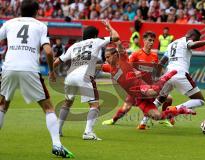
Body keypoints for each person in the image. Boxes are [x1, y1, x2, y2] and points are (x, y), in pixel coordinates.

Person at [0, 0, 74, 158]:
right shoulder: (40, 25)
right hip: (30, 69)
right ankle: (57, 145)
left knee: (2, 105)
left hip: (9, 67)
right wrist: (51, 71)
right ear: (36, 11)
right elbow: (48, 52)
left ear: (20, 10)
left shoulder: (9, 23)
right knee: (48, 107)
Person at [53, 20, 120, 140]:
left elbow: (59, 60)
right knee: (95, 104)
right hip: (84, 74)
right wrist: (109, 26)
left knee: (67, 102)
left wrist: (51, 71)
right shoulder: (96, 41)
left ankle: (57, 130)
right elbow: (116, 37)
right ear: (94, 35)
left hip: (70, 76)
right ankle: (88, 132)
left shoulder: (74, 46)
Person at [100, 41, 186, 124]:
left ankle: (166, 117)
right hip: (136, 87)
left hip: (146, 84)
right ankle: (114, 120)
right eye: (149, 40)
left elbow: (157, 69)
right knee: (126, 107)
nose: (151, 43)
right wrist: (134, 71)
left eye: (153, 40)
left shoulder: (154, 56)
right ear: (144, 41)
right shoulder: (136, 54)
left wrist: (158, 75)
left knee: (168, 98)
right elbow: (128, 64)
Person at [155, 29, 205, 117]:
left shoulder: (171, 44)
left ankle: (143, 121)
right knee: (200, 100)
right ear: (193, 36)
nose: (196, 41)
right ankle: (175, 109)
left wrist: (156, 78)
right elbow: (192, 45)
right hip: (180, 74)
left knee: (160, 98)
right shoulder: (186, 40)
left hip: (168, 75)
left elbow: (160, 63)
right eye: (196, 39)